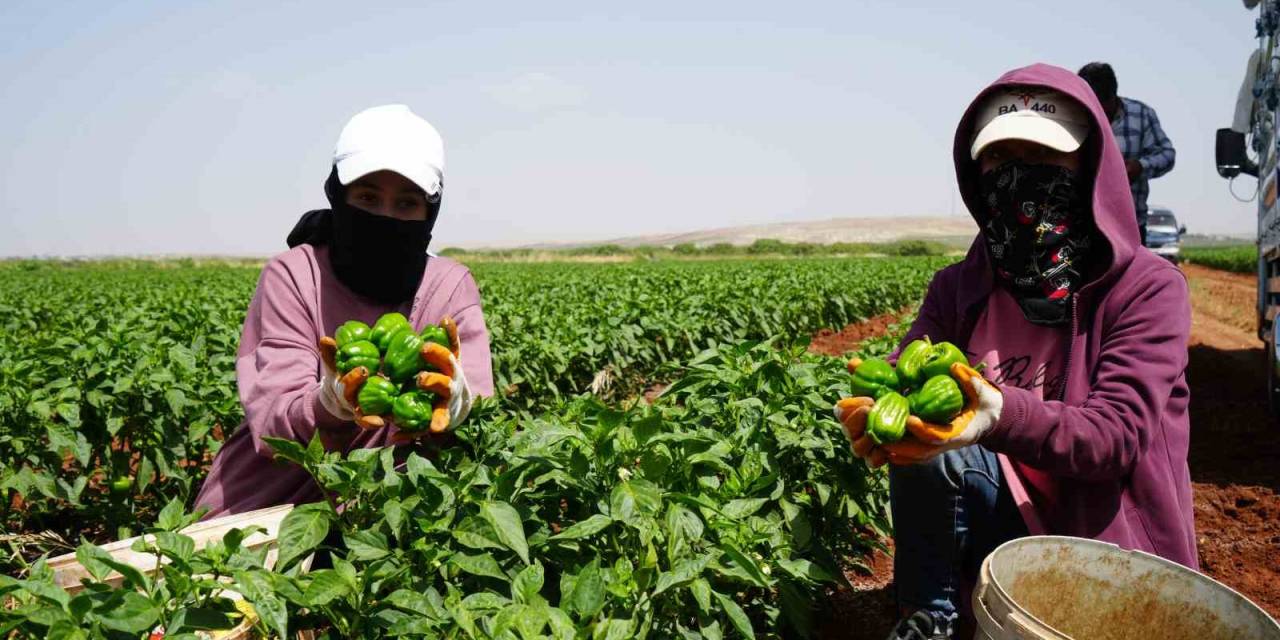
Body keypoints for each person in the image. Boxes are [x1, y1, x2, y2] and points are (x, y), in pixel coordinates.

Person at [834, 64, 1194, 640]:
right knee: (934, 453)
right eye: (1000, 161)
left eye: (1046, 159)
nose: (1019, 178)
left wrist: (996, 412)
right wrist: (882, 424)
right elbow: (904, 387)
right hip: (996, 522)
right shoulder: (958, 288)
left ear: (1092, 169)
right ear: (976, 174)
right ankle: (932, 619)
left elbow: (1116, 437)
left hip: (1100, 545)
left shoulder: (1146, 289)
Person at [195, 105, 494, 519]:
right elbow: (272, 425)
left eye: (406, 204)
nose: (385, 218)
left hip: (390, 515)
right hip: (272, 506)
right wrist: (329, 403)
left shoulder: (448, 287)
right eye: (368, 198)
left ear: (430, 212)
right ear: (338, 195)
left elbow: (479, 408)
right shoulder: (296, 275)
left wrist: (461, 402)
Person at [1077, 62, 1176, 246]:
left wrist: (1141, 166)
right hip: (1082, 226)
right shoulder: (1073, 115)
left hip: (1130, 227)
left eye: (1101, 107)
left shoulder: (1141, 114)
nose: (1096, 113)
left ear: (1112, 96)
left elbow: (1167, 155)